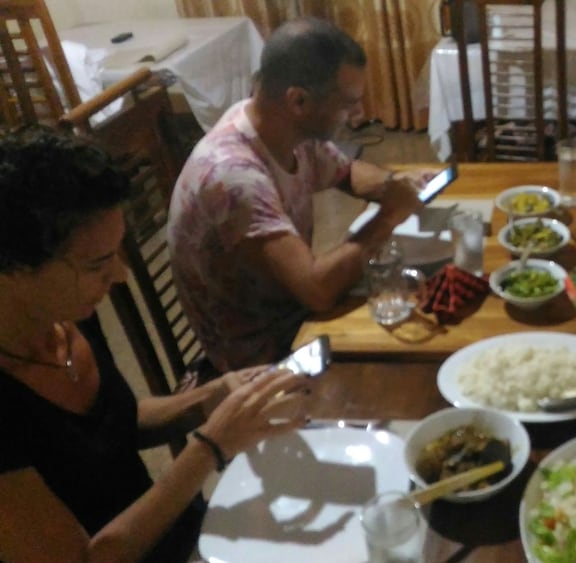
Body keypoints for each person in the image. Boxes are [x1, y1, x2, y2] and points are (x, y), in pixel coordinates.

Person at [0, 126, 310, 562]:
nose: (120, 275)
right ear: (14, 268)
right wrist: (210, 447)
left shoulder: (63, 318)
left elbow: (109, 427)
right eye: (98, 263)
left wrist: (211, 396)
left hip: (179, 536)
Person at [168, 17, 431, 372]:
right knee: (420, 344)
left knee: (424, 294)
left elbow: (347, 171)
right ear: (299, 100)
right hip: (262, 361)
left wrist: (395, 185)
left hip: (293, 313)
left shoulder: (279, 127)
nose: (358, 114)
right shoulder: (233, 176)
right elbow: (317, 291)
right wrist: (389, 215)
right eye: (349, 102)